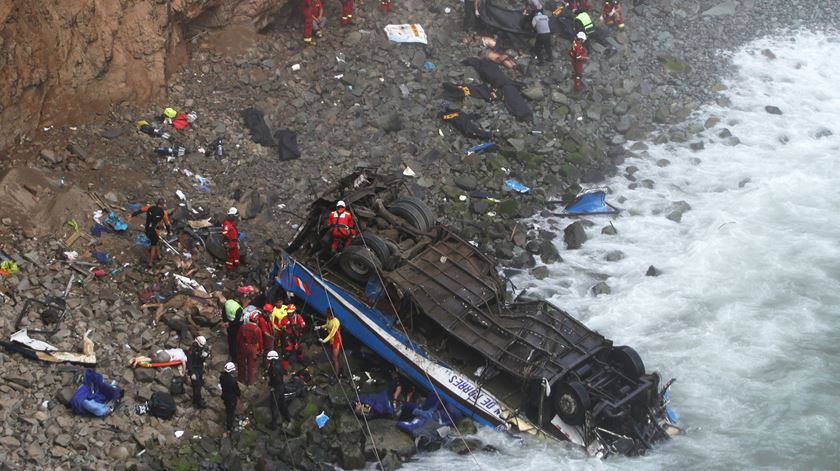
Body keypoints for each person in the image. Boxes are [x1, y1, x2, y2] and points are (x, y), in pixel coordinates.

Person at [130, 198, 171, 267]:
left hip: (147, 229)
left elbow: (140, 211)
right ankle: (150, 262)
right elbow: (167, 224)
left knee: (155, 241)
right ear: (163, 205)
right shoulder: (164, 213)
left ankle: (159, 255)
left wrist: (132, 215)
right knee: (153, 246)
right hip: (154, 231)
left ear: (157, 203)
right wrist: (169, 232)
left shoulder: (149, 207)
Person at [236, 312, 263, 386]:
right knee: (251, 366)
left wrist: (239, 347)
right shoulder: (257, 329)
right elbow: (260, 341)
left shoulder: (243, 327)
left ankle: (240, 380)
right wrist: (260, 350)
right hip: (252, 348)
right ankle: (250, 383)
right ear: (257, 320)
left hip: (243, 346)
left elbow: (238, 339)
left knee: (241, 364)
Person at [266, 350, 291, 429]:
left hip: (277, 388)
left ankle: (274, 424)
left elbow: (276, 379)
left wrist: (273, 387)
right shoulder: (279, 364)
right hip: (281, 386)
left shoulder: (273, 367)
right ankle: (288, 418)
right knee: (282, 403)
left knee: (274, 405)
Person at [278, 304, 306, 372]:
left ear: (293, 312)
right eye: (288, 312)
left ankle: (301, 361)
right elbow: (280, 325)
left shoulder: (298, 317)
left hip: (296, 337)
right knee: (287, 353)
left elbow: (303, 323)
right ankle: (285, 369)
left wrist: (298, 326)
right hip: (288, 338)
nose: (289, 313)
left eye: (290, 312)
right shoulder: (285, 318)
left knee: (299, 351)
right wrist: (284, 327)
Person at [317, 309, 343, 380]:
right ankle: (338, 369)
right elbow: (327, 325)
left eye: (326, 313)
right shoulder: (328, 319)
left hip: (336, 340)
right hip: (332, 340)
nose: (325, 314)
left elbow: (332, 334)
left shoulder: (336, 322)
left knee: (335, 358)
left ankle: (337, 375)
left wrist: (324, 341)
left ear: (330, 314)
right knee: (333, 356)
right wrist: (320, 327)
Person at [186, 336, 210, 409]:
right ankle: (198, 402)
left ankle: (196, 399)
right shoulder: (191, 350)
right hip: (194, 369)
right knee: (196, 386)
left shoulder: (201, 348)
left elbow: (201, 359)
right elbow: (189, 362)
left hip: (199, 368)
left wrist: (205, 356)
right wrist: (192, 373)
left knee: (200, 384)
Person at [220, 292, 244, 361]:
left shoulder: (227, 303)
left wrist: (226, 322)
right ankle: (236, 356)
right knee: (237, 341)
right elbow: (237, 320)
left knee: (231, 340)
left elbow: (223, 313)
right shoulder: (239, 308)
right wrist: (229, 323)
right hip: (237, 326)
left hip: (229, 326)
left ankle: (232, 355)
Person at [220, 362, 241, 437]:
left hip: (225, 396)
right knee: (230, 413)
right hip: (231, 398)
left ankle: (229, 422)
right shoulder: (232, 381)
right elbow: (237, 390)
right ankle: (229, 428)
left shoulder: (222, 377)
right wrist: (239, 395)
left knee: (228, 409)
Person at [221, 208, 240, 272]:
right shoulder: (227, 224)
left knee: (236, 254)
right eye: (235, 216)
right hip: (231, 243)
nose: (235, 218)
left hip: (234, 242)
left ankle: (237, 265)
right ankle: (229, 269)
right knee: (230, 256)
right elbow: (225, 233)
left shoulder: (231, 223)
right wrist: (228, 240)